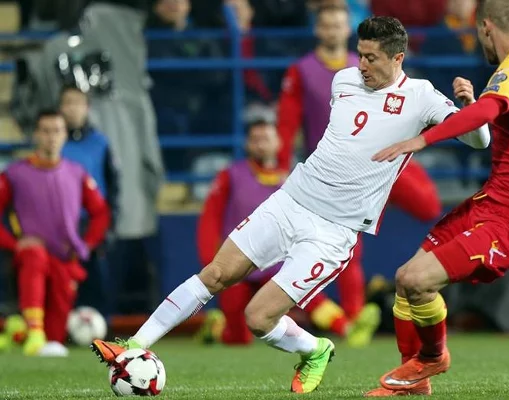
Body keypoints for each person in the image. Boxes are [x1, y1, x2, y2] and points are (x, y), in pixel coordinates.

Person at [91, 16, 489, 394]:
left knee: (257, 318)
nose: (362, 65)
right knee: (215, 273)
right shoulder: (344, 80)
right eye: (360, 54)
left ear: (398, 57)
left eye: (371, 58)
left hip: (332, 232)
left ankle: (315, 350)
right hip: (290, 202)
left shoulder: (421, 97)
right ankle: (132, 345)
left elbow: (478, 141)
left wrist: (471, 109)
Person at [366, 0, 509, 396]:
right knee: (405, 281)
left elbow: (490, 112)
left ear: (486, 27)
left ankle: (433, 357)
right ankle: (414, 379)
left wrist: (423, 139)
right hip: (489, 204)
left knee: (418, 280)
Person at [277, 3, 443, 332]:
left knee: (429, 206)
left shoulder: (367, 63)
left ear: (346, 30)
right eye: (326, 25)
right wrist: (281, 165)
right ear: (318, 29)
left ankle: (409, 279)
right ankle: (354, 316)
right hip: (338, 172)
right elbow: (286, 123)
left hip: (383, 158)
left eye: (338, 25)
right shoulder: (303, 71)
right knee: (347, 245)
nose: (332, 31)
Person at [195, 117, 380, 347]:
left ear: (278, 143)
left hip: (277, 261)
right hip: (239, 262)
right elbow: (210, 218)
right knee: (238, 338)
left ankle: (348, 328)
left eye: (266, 139)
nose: (260, 144)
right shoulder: (231, 175)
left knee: (307, 296)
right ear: (247, 145)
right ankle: (216, 327)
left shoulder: (297, 176)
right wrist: (211, 260)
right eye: (255, 139)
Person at [0, 110, 111, 356]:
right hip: (30, 256)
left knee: (55, 340)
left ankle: (16, 331)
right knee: (35, 255)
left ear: (65, 135)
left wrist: (86, 245)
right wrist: (13, 244)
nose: (51, 137)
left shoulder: (76, 172)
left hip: (65, 260)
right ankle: (32, 329)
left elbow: (101, 212)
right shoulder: (15, 174)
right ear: (35, 135)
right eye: (46, 131)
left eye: (57, 131)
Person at [59, 85, 119, 315]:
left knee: (98, 286)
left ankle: (101, 328)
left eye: (78, 103)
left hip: (93, 226)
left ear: (87, 107)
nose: (72, 108)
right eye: (67, 103)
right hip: (61, 227)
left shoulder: (100, 143)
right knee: (62, 288)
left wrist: (109, 227)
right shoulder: (54, 141)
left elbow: (113, 187)